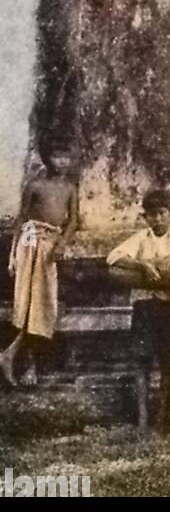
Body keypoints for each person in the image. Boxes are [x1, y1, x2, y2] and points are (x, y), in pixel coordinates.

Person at [107, 188, 170, 429]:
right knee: (142, 361)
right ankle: (142, 417)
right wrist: (141, 265)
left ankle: (167, 413)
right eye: (152, 215)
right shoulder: (142, 238)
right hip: (146, 308)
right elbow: (113, 256)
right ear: (146, 217)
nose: (158, 219)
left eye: (162, 213)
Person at [0, 144, 78, 388]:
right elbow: (22, 218)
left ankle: (11, 355)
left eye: (66, 157)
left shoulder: (69, 188)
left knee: (43, 306)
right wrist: (13, 255)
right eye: (57, 155)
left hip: (50, 247)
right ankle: (25, 364)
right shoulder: (35, 186)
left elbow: (73, 219)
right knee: (27, 304)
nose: (62, 161)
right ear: (49, 158)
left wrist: (61, 244)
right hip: (29, 244)